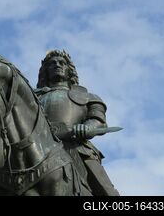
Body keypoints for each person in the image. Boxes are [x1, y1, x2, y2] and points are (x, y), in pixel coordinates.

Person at [34, 49, 120, 196]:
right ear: (45, 70)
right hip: (38, 147)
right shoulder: (33, 98)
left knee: (106, 190)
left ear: (69, 70)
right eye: (52, 63)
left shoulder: (87, 97)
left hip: (76, 146)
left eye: (62, 63)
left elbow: (98, 121)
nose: (57, 65)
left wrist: (87, 127)